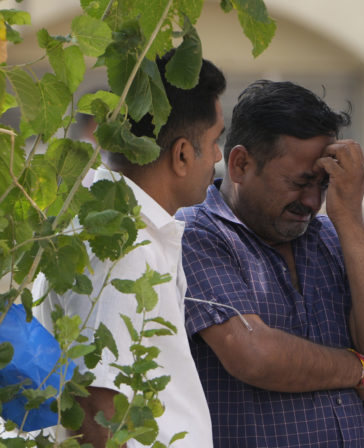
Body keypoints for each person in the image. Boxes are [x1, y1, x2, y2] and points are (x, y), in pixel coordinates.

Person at [176, 80, 364, 447]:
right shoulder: (195, 231)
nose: (312, 201)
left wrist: (351, 220)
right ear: (241, 164)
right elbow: (255, 354)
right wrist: (359, 370)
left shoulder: (332, 234)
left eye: (323, 184)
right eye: (299, 182)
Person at [33, 49, 227, 447]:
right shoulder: (122, 246)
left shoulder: (129, 227)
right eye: (215, 140)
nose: (220, 155)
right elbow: (94, 407)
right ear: (183, 155)